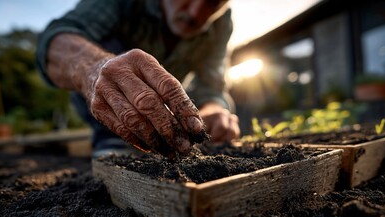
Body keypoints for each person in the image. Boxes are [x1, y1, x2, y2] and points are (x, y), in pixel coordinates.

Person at [36, 0, 240, 158]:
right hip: (98, 106)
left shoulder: (221, 23)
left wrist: (213, 110)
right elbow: (57, 37)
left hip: (168, 113)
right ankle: (110, 137)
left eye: (213, 2)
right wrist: (94, 69)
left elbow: (212, 84)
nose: (196, 13)